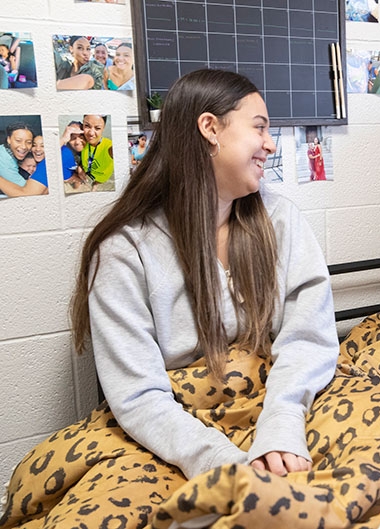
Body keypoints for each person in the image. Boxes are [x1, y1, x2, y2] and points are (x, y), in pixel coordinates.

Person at [65, 67, 338, 495]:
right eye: (260, 128)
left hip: (278, 399)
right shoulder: (123, 250)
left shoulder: (281, 220)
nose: (270, 144)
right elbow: (138, 397)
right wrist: (223, 464)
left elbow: (309, 338)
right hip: (178, 428)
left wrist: (282, 422)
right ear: (210, 128)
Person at [80, 114, 114, 186]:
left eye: (97, 128)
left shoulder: (109, 147)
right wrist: (79, 167)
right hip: (86, 173)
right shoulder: (80, 140)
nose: (91, 133)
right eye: (87, 126)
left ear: (103, 127)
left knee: (96, 183)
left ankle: (95, 184)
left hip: (102, 178)